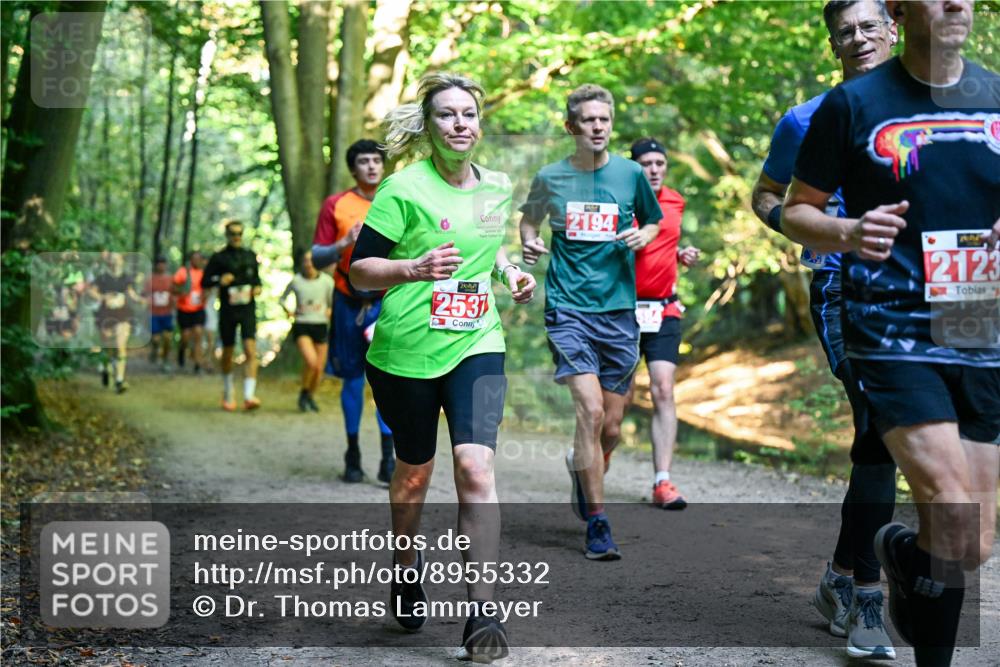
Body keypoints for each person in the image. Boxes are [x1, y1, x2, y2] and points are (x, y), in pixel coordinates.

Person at [782, 1, 1000, 664]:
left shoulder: (995, 95)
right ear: (903, 10)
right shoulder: (849, 105)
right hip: (889, 322)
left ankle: (903, 551)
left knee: (972, 533)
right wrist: (848, 232)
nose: (956, 3)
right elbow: (794, 208)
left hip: (974, 311)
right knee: (944, 491)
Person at [349, 72, 535, 663]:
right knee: (413, 476)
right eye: (447, 115)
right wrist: (413, 269)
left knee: (475, 468)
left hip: (478, 343)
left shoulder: (498, 186)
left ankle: (482, 611)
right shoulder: (402, 189)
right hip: (405, 351)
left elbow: (490, 245)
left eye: (469, 114)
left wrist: (510, 274)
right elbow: (359, 270)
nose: (461, 123)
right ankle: (405, 564)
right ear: (428, 128)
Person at [751, 1, 899, 658]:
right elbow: (764, 194)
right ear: (832, 42)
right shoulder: (807, 119)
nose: (858, 37)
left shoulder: (941, 113)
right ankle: (869, 596)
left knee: (930, 435)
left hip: (936, 288)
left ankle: (840, 572)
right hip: (845, 286)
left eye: (870, 25)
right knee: (882, 423)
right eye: (845, 30)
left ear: (894, 29)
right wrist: (821, 234)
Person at [519, 83, 662, 560]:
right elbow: (529, 222)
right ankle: (598, 523)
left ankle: (583, 471)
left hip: (620, 311)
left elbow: (653, 220)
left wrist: (643, 234)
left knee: (613, 428)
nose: (598, 127)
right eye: (588, 120)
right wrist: (530, 243)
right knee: (591, 410)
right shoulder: (551, 177)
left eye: (604, 120)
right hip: (568, 309)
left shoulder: (630, 174)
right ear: (571, 126)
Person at [312, 139, 396, 483]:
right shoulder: (336, 204)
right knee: (351, 379)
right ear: (353, 168)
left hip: (390, 300)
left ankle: (388, 459)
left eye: (377, 160)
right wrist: (344, 243)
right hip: (348, 298)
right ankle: (352, 452)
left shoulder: (398, 199)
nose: (372, 166)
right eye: (364, 161)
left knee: (388, 382)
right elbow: (317, 258)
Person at [625, 137, 700, 510]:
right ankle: (600, 455)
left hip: (663, 309)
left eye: (660, 163)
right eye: (646, 163)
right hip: (621, 310)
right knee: (617, 402)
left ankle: (662, 481)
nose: (654, 169)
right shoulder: (620, 200)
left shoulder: (675, 201)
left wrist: (680, 253)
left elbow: (667, 241)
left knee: (664, 389)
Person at [202, 220, 263, 411]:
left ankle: (249, 395)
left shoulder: (250, 256)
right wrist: (219, 280)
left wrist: (257, 288)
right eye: (233, 234)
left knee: (250, 350)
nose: (236, 237)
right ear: (227, 236)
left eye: (239, 233)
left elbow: (257, 281)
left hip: (247, 309)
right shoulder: (218, 258)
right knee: (228, 352)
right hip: (228, 310)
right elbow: (205, 281)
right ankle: (228, 392)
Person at [280, 249, 334, 412]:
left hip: (320, 325)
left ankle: (308, 396)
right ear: (302, 263)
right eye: (305, 260)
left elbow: (332, 302)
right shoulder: (296, 281)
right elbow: (282, 299)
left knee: (319, 368)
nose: (308, 264)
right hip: (302, 324)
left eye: (311, 260)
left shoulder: (327, 282)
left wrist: (329, 311)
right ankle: (305, 393)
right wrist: (288, 311)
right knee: (311, 362)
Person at [91, 253, 144, 393]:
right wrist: (103, 297)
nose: (114, 262)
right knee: (108, 346)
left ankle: (119, 380)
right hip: (105, 315)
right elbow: (92, 291)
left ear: (121, 261)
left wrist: (141, 300)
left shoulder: (126, 277)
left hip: (122, 315)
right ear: (108, 262)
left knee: (120, 346)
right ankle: (106, 369)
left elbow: (131, 293)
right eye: (112, 260)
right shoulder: (102, 278)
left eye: (117, 259)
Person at [174, 251, 207, 374]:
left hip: (199, 309)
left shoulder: (204, 273)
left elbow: (208, 288)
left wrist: (205, 296)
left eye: (199, 259)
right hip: (184, 310)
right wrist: (182, 291)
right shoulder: (183, 272)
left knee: (198, 333)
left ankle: (198, 363)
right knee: (186, 336)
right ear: (191, 260)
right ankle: (182, 351)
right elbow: (174, 286)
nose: (196, 261)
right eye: (194, 259)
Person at [145, 256, 175, 372]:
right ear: (156, 265)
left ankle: (165, 359)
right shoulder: (150, 280)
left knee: (167, 338)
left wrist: (174, 301)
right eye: (159, 263)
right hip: (154, 313)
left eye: (163, 263)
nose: (161, 266)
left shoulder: (171, 279)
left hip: (167, 313)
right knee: (156, 338)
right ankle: (155, 349)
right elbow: (145, 294)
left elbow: (175, 293)